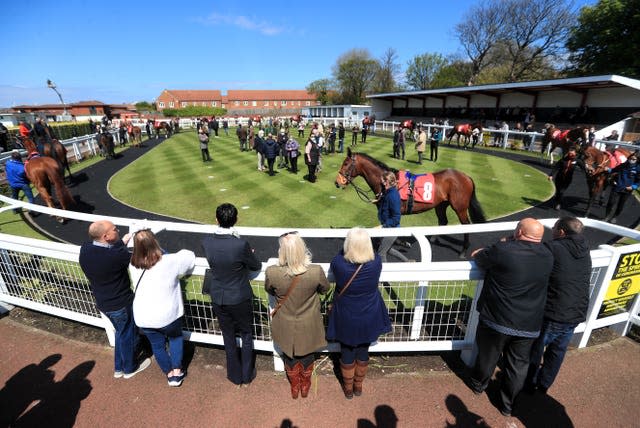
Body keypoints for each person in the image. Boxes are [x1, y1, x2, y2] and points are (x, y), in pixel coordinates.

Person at [467, 218, 553, 417]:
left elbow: (479, 257)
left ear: (519, 232)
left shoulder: (503, 250)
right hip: (529, 323)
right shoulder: (548, 255)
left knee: (488, 356)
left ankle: (479, 385)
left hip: (497, 319)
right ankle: (508, 405)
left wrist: (502, 243)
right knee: (518, 365)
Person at [79, 220, 151, 379]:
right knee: (128, 335)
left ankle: (119, 368)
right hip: (120, 303)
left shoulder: (85, 248)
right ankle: (129, 368)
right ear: (106, 236)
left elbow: (111, 251)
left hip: (103, 302)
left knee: (120, 332)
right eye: (114, 230)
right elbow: (135, 258)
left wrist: (122, 241)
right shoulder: (116, 256)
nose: (117, 230)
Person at [526, 217, 591, 394]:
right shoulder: (585, 248)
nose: (552, 231)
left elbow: (529, 255)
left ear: (561, 232)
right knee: (557, 352)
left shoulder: (553, 247)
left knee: (536, 348)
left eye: (554, 228)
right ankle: (544, 385)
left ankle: (528, 383)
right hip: (576, 312)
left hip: (555, 312)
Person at [327, 227, 392, 399]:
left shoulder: (338, 264)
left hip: (346, 313)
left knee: (347, 349)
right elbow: (372, 255)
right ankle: (358, 386)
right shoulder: (376, 262)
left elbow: (340, 255)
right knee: (364, 348)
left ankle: (348, 389)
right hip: (369, 311)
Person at [201, 203, 262, 386]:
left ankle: (235, 376)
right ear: (235, 220)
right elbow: (255, 265)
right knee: (246, 334)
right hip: (239, 296)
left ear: (217, 220)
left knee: (228, 335)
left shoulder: (207, 242)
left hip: (218, 296)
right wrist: (246, 255)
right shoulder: (240, 244)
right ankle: (247, 374)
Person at [264, 232, 329, 399]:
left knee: (289, 356)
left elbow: (269, 289)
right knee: (307, 355)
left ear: (282, 251)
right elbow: (324, 289)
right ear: (302, 249)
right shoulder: (315, 271)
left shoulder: (272, 272)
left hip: (284, 322)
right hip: (309, 322)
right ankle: (305, 385)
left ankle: (295, 387)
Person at [130, 230, 195, 387]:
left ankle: (169, 373)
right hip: (167, 315)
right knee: (175, 339)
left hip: (144, 316)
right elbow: (189, 256)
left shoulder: (133, 264)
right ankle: (177, 371)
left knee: (157, 345)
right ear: (155, 242)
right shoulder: (170, 261)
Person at [376, 171, 410, 263]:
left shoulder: (393, 195)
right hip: (389, 228)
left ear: (386, 182)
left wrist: (383, 226)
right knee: (387, 249)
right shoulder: (388, 193)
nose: (381, 183)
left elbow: (396, 218)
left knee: (381, 253)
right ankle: (408, 262)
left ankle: (386, 276)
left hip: (392, 229)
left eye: (382, 181)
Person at [604, 151, 640, 224]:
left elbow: (639, 181)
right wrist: (608, 169)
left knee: (620, 205)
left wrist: (633, 186)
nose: (631, 160)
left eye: (634, 159)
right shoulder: (623, 165)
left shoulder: (638, 169)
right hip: (617, 187)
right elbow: (614, 170)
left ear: (637, 160)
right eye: (630, 158)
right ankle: (606, 217)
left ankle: (614, 217)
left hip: (626, 190)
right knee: (610, 202)